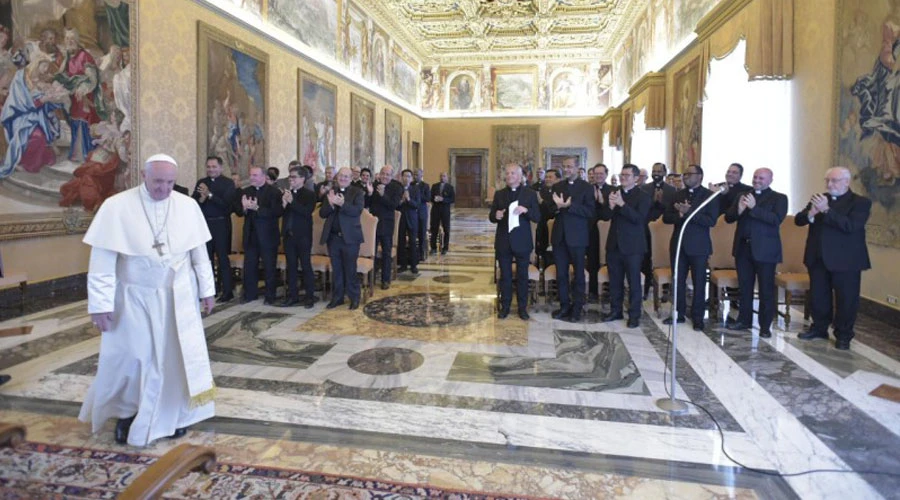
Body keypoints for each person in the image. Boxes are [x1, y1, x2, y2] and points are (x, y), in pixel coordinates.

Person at [79, 154, 216, 447]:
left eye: (169, 182)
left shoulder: (188, 206)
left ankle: (174, 415)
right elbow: (102, 261)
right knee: (133, 358)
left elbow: (199, 254)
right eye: (158, 182)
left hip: (177, 297)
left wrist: (207, 290)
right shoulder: (116, 207)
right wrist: (101, 304)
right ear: (143, 175)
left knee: (174, 358)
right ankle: (127, 414)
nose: (164, 189)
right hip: (133, 297)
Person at [795, 167, 872, 350]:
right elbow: (799, 220)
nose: (830, 184)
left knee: (846, 299)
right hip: (818, 257)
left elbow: (850, 226)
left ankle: (843, 335)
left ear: (847, 182)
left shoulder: (860, 202)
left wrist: (827, 211)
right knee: (819, 296)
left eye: (834, 181)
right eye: (827, 180)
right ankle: (819, 328)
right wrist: (811, 214)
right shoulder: (820, 198)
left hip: (846, 260)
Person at [724, 168, 787, 338]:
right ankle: (744, 320)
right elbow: (729, 218)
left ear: (770, 180)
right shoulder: (742, 195)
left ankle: (765, 326)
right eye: (755, 177)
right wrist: (739, 209)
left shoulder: (779, 198)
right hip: (743, 249)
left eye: (761, 178)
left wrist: (753, 208)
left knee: (766, 289)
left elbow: (775, 220)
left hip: (766, 251)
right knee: (745, 288)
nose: (757, 180)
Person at [662, 165, 719, 331]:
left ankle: (698, 317)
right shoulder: (676, 195)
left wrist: (689, 212)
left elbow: (711, 221)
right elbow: (666, 218)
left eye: (689, 174)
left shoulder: (710, 196)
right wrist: (679, 215)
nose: (686, 177)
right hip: (678, 244)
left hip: (699, 246)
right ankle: (678, 313)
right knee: (677, 280)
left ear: (700, 176)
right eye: (684, 174)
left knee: (699, 282)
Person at [599, 164, 651, 328]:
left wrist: (622, 205)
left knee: (633, 282)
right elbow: (605, 216)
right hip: (614, 244)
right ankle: (616, 311)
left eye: (627, 175)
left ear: (636, 178)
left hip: (633, 247)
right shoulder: (613, 193)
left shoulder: (643, 196)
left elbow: (639, 219)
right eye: (622, 175)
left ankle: (634, 315)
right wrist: (610, 206)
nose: (623, 178)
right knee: (615, 281)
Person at [490, 163, 541, 320]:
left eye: (512, 173)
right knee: (505, 276)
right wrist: (496, 215)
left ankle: (522, 308)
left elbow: (537, 217)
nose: (509, 176)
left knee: (522, 276)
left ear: (520, 177)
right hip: (504, 241)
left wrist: (526, 210)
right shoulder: (499, 194)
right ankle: (504, 307)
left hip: (522, 241)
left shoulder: (530, 194)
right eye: (507, 173)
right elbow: (492, 216)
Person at [549, 156, 595, 322]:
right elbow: (550, 209)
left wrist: (569, 206)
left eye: (570, 167)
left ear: (577, 168)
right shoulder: (557, 186)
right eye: (564, 167)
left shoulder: (587, 188)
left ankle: (577, 308)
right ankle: (564, 306)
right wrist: (556, 207)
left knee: (579, 275)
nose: (567, 170)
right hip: (559, 237)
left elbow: (590, 212)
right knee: (561, 274)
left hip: (578, 237)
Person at [235, 166, 284, 304]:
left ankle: (270, 296)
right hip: (251, 235)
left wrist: (257, 208)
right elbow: (239, 212)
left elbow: (277, 212)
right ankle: (250, 294)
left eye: (255, 175)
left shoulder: (274, 192)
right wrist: (244, 208)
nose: (252, 178)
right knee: (250, 266)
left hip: (268, 235)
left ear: (263, 176)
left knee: (269, 267)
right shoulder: (246, 192)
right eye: (251, 175)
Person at [320, 167, 365, 309]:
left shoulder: (357, 192)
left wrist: (342, 204)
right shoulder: (331, 191)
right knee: (337, 269)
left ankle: (354, 297)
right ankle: (337, 297)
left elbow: (357, 211)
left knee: (351, 269)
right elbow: (322, 213)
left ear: (351, 178)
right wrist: (332, 204)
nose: (343, 179)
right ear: (336, 177)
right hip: (333, 238)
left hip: (350, 238)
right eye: (341, 176)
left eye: (346, 176)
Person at [193, 155, 237, 302]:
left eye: (214, 167)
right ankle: (210, 289)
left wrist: (209, 194)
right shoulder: (202, 182)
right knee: (206, 259)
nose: (211, 170)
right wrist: (202, 198)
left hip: (221, 224)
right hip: (204, 224)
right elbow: (194, 204)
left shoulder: (228, 183)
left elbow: (226, 205)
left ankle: (227, 291)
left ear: (220, 167)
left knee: (223, 259)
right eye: (208, 167)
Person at [280, 165, 318, 308]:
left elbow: (306, 212)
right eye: (290, 177)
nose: (291, 180)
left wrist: (291, 202)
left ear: (302, 179)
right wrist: (283, 204)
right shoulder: (286, 193)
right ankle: (293, 296)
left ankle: (309, 297)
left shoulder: (309, 194)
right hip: (288, 235)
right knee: (291, 267)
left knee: (306, 266)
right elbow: (280, 213)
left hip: (303, 236)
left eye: (294, 177)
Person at [640, 162, 677, 299]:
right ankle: (645, 288)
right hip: (646, 227)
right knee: (646, 257)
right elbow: (642, 208)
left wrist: (660, 202)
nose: (656, 174)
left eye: (659, 171)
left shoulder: (672, 190)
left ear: (664, 173)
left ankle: (666, 291)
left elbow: (672, 209)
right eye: (654, 171)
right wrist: (653, 201)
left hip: (665, 230)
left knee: (664, 257)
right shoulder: (644, 188)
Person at [369, 165, 403, 289]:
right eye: (383, 173)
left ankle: (385, 280)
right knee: (371, 252)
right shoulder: (374, 185)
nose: (384, 176)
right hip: (372, 224)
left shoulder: (396, 187)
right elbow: (368, 203)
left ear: (391, 176)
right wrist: (369, 193)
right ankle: (371, 278)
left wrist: (383, 195)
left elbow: (393, 205)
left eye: (387, 174)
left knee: (386, 253)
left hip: (386, 224)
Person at [588, 163, 613, 301]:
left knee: (609, 261)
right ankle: (592, 290)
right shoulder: (586, 189)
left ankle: (608, 290)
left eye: (601, 174)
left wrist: (602, 201)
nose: (598, 176)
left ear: (606, 174)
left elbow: (609, 214)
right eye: (596, 174)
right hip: (590, 231)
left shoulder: (613, 190)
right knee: (592, 261)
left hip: (608, 233)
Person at [397, 169, 422, 274]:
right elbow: (395, 205)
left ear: (411, 178)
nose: (406, 178)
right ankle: (402, 265)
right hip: (401, 219)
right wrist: (402, 200)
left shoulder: (415, 189)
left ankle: (413, 265)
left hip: (412, 218)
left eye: (408, 176)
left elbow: (417, 205)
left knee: (412, 242)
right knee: (401, 242)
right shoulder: (398, 189)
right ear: (401, 177)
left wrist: (408, 199)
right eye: (404, 176)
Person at [536, 168, 560, 269]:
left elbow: (554, 210)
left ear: (558, 179)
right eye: (546, 177)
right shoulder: (542, 191)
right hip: (542, 227)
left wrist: (542, 202)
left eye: (550, 177)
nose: (547, 179)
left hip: (557, 228)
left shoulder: (560, 192)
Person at [430, 172, 455, 255]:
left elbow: (452, 199)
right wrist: (434, 199)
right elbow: (430, 197)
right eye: (441, 176)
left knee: (446, 229)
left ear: (447, 177)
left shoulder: (450, 187)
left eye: (444, 176)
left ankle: (445, 248)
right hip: (435, 210)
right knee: (434, 230)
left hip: (445, 211)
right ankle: (433, 248)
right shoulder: (434, 186)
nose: (442, 177)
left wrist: (443, 199)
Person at [415, 169, 431, 261]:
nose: (415, 176)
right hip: (413, 213)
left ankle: (422, 253)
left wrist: (417, 195)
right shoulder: (411, 185)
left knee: (421, 234)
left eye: (417, 174)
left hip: (422, 212)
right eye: (414, 174)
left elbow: (427, 198)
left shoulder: (425, 186)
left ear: (421, 175)